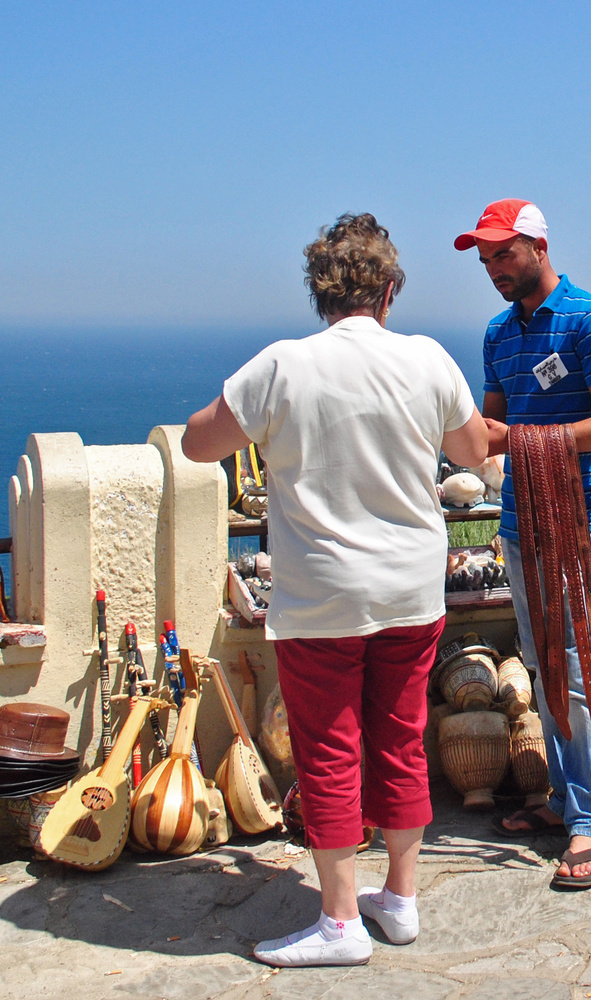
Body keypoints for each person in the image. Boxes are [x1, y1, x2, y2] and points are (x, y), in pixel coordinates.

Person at [183, 213, 488, 966]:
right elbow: (474, 450)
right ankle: (403, 901)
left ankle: (341, 921)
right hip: (411, 589)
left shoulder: (284, 365)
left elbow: (197, 444)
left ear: (320, 292)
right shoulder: (426, 361)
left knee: (328, 750)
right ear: (388, 292)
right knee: (399, 738)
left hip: (321, 594)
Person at [458, 199, 591, 890]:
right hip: (519, 523)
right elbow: (486, 432)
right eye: (485, 259)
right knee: (539, 663)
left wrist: (522, 440)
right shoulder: (498, 335)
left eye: (504, 253)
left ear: (536, 245)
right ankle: (560, 799)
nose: (494, 269)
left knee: (577, 666)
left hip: (577, 521)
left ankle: (589, 821)